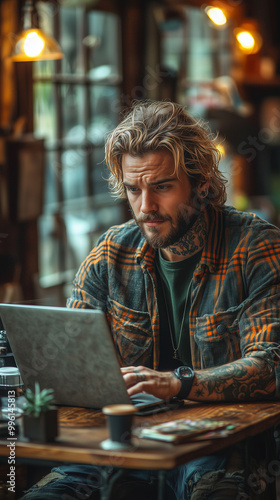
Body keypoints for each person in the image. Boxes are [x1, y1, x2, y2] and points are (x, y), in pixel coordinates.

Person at [21, 100, 280, 500]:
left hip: (222, 450)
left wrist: (176, 383)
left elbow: (272, 365)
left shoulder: (255, 247)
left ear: (202, 185)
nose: (146, 207)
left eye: (161, 187)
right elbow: (73, 366)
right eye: (133, 189)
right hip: (120, 445)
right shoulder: (110, 254)